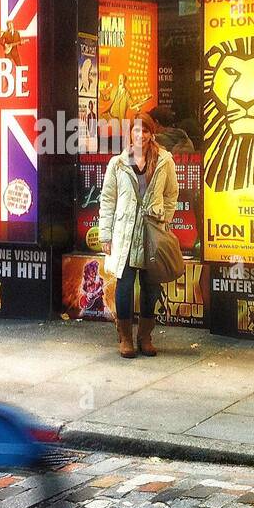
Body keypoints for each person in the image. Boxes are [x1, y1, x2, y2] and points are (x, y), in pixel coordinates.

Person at [98, 114, 178, 358]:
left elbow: (171, 194)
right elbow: (108, 199)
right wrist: (105, 235)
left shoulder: (164, 160)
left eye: (145, 131)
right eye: (136, 130)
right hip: (125, 232)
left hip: (151, 233)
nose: (140, 135)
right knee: (124, 285)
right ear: (129, 133)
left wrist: (162, 219)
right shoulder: (118, 163)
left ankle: (145, 336)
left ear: (151, 134)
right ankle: (125, 337)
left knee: (150, 287)